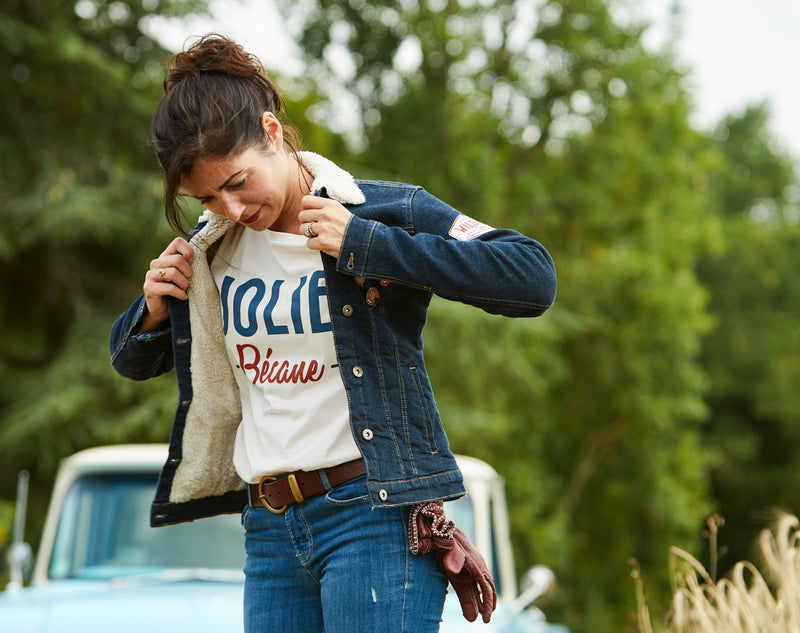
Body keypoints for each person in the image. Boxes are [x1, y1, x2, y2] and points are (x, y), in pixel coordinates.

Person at [109, 33, 557, 633]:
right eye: (207, 196)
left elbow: (531, 275)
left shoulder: (378, 213)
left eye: (238, 183)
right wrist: (152, 313)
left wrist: (368, 245)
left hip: (371, 517)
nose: (230, 208)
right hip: (269, 530)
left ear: (271, 132)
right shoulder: (213, 248)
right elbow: (133, 361)